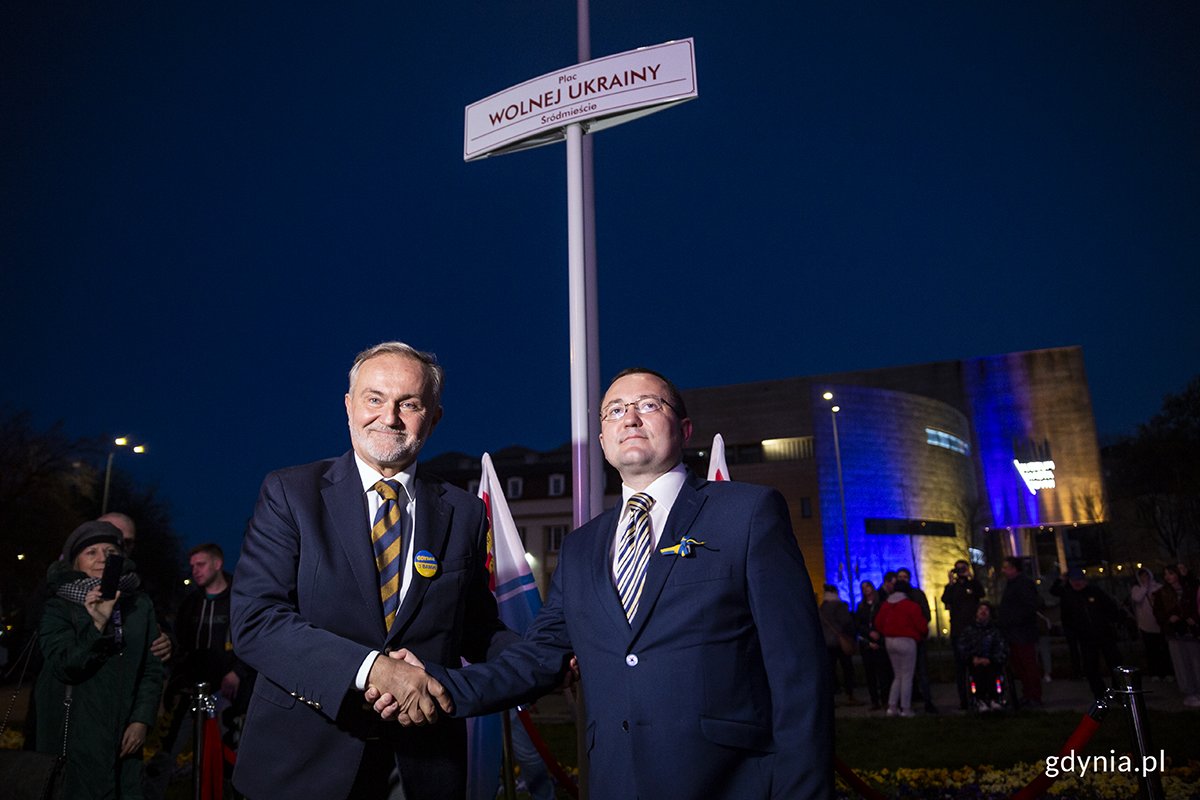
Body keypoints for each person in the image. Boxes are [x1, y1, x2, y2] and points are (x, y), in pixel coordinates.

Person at [375, 367, 832, 799]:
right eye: (614, 410)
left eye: (649, 405)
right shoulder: (579, 548)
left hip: (730, 781)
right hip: (615, 780)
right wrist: (438, 683)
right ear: (602, 439)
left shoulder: (747, 513)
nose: (629, 418)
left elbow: (799, 673)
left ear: (686, 429)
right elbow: (537, 659)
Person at [230, 342, 517, 800]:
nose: (390, 417)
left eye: (410, 403)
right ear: (349, 406)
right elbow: (256, 621)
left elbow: (475, 629)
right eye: (375, 398)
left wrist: (553, 657)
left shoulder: (464, 513)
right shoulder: (289, 493)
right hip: (301, 763)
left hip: (422, 766)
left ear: (434, 417)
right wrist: (374, 671)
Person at [34, 520, 164, 799]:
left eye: (109, 551)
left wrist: (141, 720)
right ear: (75, 561)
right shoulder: (59, 607)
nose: (102, 559)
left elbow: (151, 669)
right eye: (90, 552)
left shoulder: (139, 605)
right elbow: (64, 666)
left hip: (124, 735)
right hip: (74, 736)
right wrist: (97, 625)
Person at [1051, 567, 1124, 699]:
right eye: (1074, 581)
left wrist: (1115, 621)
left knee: (1114, 662)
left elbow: (1110, 607)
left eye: (1079, 580)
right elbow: (1054, 591)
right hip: (1085, 637)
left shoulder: (1095, 592)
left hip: (1103, 633)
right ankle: (1099, 693)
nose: (1077, 583)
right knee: (1091, 667)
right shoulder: (1068, 594)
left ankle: (1118, 690)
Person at [873, 578, 926, 717]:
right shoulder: (910, 605)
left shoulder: (886, 605)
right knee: (907, 676)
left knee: (897, 676)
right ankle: (906, 708)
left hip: (890, 641)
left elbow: (878, 623)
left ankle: (892, 707)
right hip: (907, 641)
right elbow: (921, 625)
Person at [996, 557, 1043, 708]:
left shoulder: (1021, 584)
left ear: (1014, 568)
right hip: (1016, 632)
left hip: (1022, 632)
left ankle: (1033, 696)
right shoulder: (1015, 584)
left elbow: (1029, 606)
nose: (1003, 570)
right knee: (1022, 667)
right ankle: (1029, 695)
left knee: (1028, 666)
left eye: (1006, 567)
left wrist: (1011, 620)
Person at [1152, 565, 1200, 708]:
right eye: (1165, 574)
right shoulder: (1162, 593)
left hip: (1190, 631)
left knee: (1196, 661)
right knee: (1181, 663)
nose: (1168, 577)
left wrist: (1191, 618)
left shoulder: (1188, 589)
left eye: (1171, 573)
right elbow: (1158, 613)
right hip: (1175, 632)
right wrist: (1169, 619)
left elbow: (1194, 603)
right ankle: (1189, 692)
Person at [942, 560, 985, 710]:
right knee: (960, 668)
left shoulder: (972, 585)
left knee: (977, 665)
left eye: (963, 568)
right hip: (958, 632)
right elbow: (945, 599)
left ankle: (980, 696)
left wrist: (971, 578)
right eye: (958, 569)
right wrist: (950, 582)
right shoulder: (952, 588)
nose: (961, 571)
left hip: (974, 630)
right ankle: (964, 700)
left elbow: (981, 593)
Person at [895, 568, 936, 713]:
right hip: (903, 640)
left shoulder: (916, 595)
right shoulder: (895, 597)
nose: (902, 579)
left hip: (916, 639)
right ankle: (908, 700)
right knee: (904, 673)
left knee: (922, 671)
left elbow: (925, 615)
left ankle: (927, 701)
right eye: (900, 577)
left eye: (904, 577)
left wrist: (920, 630)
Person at [956, 602, 1008, 711]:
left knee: (993, 672)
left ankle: (994, 699)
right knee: (977, 673)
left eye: (986, 610)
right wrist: (972, 658)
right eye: (980, 610)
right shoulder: (969, 630)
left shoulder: (995, 630)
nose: (983, 612)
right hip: (975, 661)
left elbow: (1001, 647)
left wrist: (991, 659)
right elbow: (962, 647)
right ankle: (980, 700)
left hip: (991, 661)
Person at [854, 579, 891, 711]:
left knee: (883, 673)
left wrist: (878, 637)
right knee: (870, 675)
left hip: (879, 643)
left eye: (867, 587)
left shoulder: (880, 605)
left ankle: (885, 699)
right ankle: (874, 700)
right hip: (867, 643)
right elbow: (858, 625)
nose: (866, 589)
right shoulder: (861, 607)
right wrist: (868, 635)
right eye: (863, 588)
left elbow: (884, 622)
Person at [820, 583, 859, 705]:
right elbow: (846, 622)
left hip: (827, 642)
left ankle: (832, 696)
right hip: (840, 641)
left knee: (831, 670)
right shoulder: (839, 606)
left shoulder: (822, 607)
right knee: (847, 668)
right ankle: (850, 695)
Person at [1131, 568, 1172, 680]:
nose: (1145, 578)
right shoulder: (1137, 589)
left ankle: (1168, 672)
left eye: (1146, 575)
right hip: (1145, 624)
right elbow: (1137, 598)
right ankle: (1155, 672)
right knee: (1151, 650)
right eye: (1142, 576)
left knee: (1164, 649)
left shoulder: (1158, 587)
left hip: (1159, 623)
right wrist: (1144, 587)